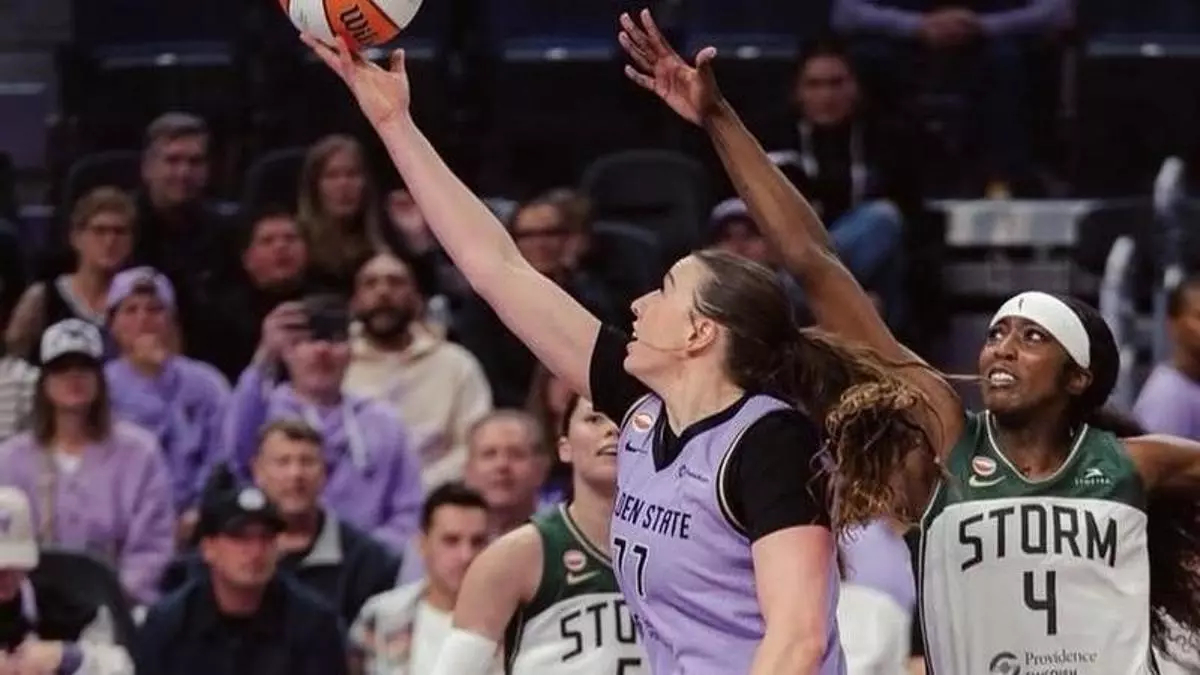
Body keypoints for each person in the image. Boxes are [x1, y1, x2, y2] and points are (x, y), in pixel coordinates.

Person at [629, 8, 1200, 671]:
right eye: (996, 332)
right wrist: (719, 119)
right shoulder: (947, 444)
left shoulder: (1136, 464)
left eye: (1032, 336)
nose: (1002, 347)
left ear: (1080, 376)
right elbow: (816, 262)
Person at [305, 23, 857, 674]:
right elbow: (497, 268)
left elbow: (797, 640)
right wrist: (395, 124)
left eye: (665, 291)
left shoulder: (770, 444)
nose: (639, 303)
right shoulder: (644, 412)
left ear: (700, 333)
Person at [433, 396, 646, 674]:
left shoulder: (684, 553)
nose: (612, 429)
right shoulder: (516, 555)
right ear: (564, 448)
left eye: (625, 416)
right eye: (594, 418)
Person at [224, 294, 424, 552]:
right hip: (277, 558)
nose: (322, 350)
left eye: (335, 339)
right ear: (287, 352)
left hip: (369, 563)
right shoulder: (260, 412)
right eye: (308, 340)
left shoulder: (384, 422)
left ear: (351, 352)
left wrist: (365, 557)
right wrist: (265, 355)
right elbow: (235, 459)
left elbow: (408, 511)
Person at [0, 319, 175, 607]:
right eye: (62, 368)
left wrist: (113, 600)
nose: (74, 377)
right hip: (28, 607)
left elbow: (152, 547)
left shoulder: (140, 452)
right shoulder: (10, 458)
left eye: (85, 367)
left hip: (119, 607)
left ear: (100, 378)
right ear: (44, 381)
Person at [133, 467, 348, 675]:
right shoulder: (169, 626)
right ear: (209, 548)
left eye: (265, 538)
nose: (255, 551)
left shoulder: (314, 626)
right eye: (240, 538)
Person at [104, 267, 230, 525]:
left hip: (198, 520)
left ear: (171, 320)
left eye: (155, 309)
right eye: (130, 310)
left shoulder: (207, 383)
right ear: (112, 324)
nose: (143, 319)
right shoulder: (100, 386)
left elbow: (222, 454)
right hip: (120, 518)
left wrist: (199, 510)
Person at [350, 482, 494, 675]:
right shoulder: (381, 617)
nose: (466, 555)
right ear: (422, 544)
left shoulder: (514, 623)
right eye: (451, 541)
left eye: (478, 542)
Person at [0, 486, 134, 675]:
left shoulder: (67, 607)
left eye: (11, 566)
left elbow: (122, 667)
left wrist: (67, 657)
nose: (3, 576)